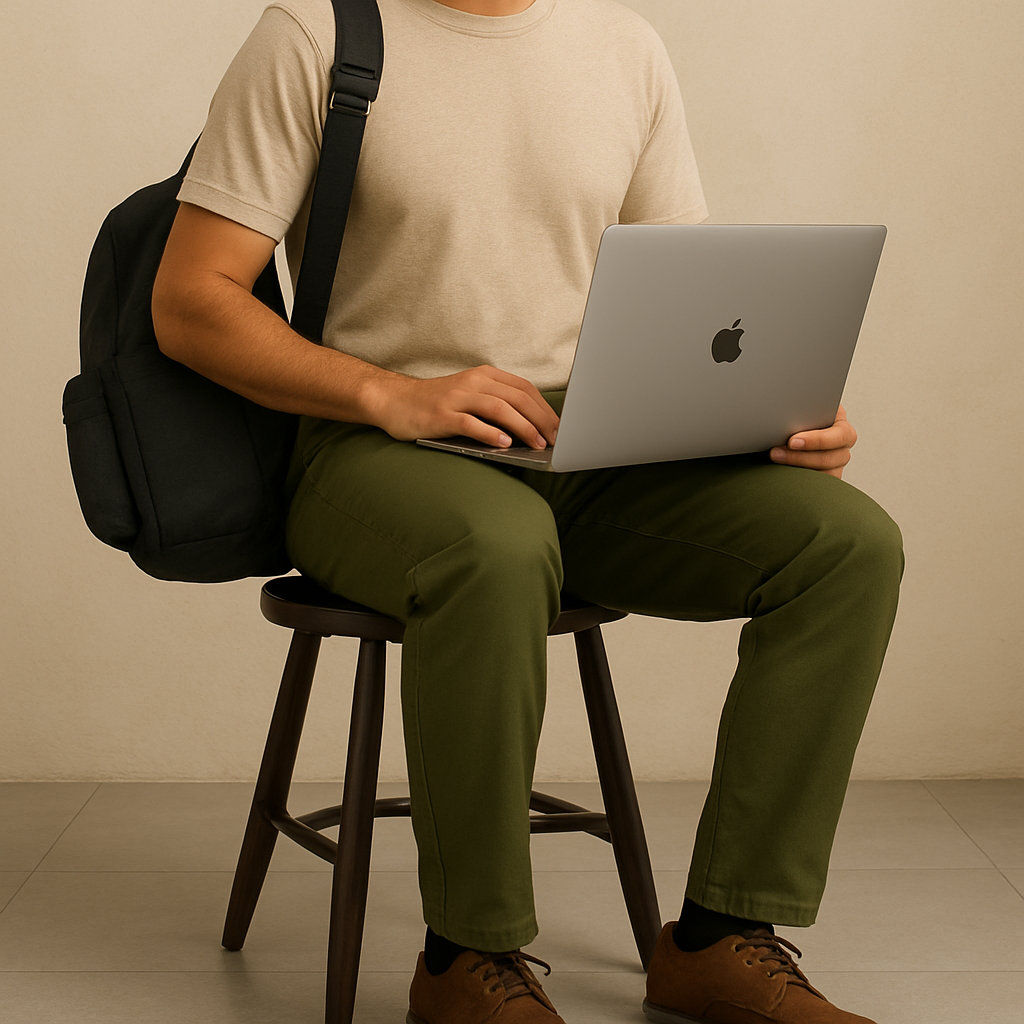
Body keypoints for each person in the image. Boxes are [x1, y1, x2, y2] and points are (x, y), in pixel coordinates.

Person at [152, 1, 904, 1021]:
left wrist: (768, 408)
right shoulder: (318, 34)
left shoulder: (624, 47)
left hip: (585, 442)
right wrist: (391, 394)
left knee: (844, 543)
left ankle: (721, 938)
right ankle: (467, 957)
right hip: (369, 441)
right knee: (496, 549)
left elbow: (684, 307)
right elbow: (191, 301)